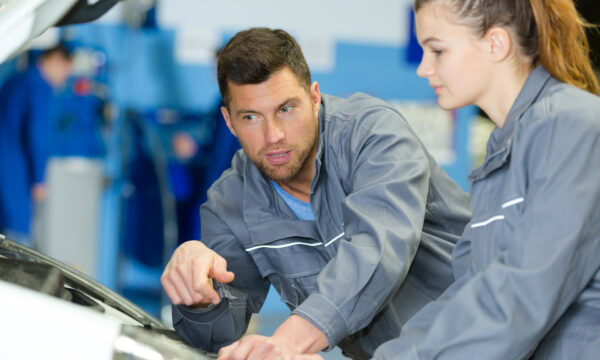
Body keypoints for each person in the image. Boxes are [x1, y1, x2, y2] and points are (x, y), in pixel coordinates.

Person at [160, 27, 471, 359]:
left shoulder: (372, 136)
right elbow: (217, 335)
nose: (273, 135)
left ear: (314, 97)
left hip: (493, 342)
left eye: (286, 109)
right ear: (229, 121)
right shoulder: (230, 203)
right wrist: (197, 290)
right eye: (251, 117)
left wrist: (289, 341)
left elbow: (379, 251)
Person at [368, 0, 600, 359]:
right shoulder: (503, 149)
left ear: (496, 43)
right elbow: (466, 294)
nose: (423, 68)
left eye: (437, 50)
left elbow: (523, 294)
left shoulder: (572, 125)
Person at [0, 44, 73, 244]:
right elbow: (38, 137)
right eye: (65, 72)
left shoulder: (17, 79)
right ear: (57, 60)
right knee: (15, 244)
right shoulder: (40, 86)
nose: (63, 80)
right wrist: (39, 180)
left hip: (6, 168)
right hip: (14, 174)